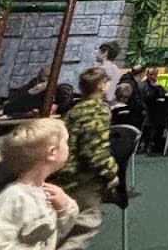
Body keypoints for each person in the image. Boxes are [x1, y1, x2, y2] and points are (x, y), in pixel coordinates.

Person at [0, 118, 77, 250]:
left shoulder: (48, 192)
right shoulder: (15, 197)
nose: (68, 147)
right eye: (65, 142)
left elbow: (59, 230)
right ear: (52, 152)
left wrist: (64, 207)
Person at [51, 68, 119, 250]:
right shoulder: (98, 110)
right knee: (82, 226)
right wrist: (111, 173)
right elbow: (94, 151)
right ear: (101, 86)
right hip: (81, 178)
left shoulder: (75, 110)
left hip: (61, 175)